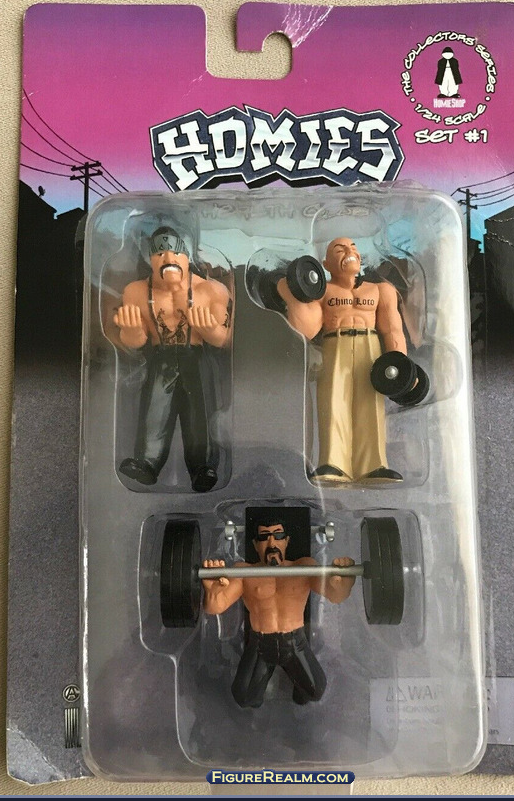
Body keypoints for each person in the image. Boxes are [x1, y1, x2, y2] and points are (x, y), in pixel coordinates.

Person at [276, 236, 408, 483]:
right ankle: (333, 462)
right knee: (333, 401)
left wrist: (401, 367)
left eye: (353, 248)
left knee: (370, 403)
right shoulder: (323, 292)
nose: (349, 252)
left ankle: (374, 464)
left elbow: (392, 328)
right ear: (326, 264)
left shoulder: (381, 290)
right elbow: (308, 329)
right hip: (334, 344)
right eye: (340, 249)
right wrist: (291, 293)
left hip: (370, 346)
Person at [114, 225, 232, 492]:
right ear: (150, 259)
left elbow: (223, 339)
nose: (168, 258)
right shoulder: (135, 292)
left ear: (187, 257)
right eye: (159, 253)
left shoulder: (210, 290)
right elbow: (135, 342)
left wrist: (209, 330)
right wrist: (132, 332)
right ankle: (147, 462)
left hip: (195, 356)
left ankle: (203, 466)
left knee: (200, 411)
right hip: (161, 356)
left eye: (175, 252)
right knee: (154, 408)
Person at [203, 514, 355, 708]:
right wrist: (212, 592)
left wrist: (343, 584)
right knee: (243, 696)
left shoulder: (304, 567)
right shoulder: (243, 572)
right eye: (264, 537)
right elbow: (215, 607)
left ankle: (299, 695)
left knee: (315, 691)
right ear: (256, 544)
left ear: (286, 541)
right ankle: (257, 705)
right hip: (260, 644)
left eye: (278, 535)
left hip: (294, 642)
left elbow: (335, 595)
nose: (272, 543)